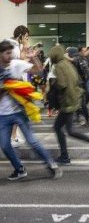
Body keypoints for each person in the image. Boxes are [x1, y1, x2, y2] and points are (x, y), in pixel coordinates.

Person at [0, 41, 62, 180]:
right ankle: (19, 169)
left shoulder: (15, 64)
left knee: (32, 141)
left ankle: (51, 163)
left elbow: (38, 70)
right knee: (4, 145)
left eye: (11, 53)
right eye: (7, 53)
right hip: (3, 115)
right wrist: (6, 88)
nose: (10, 56)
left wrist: (33, 57)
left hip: (19, 112)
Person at [48, 45, 89, 165]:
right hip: (74, 99)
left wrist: (53, 89)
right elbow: (77, 80)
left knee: (60, 128)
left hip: (67, 102)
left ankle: (65, 156)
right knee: (68, 130)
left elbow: (62, 85)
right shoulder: (67, 63)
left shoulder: (58, 66)